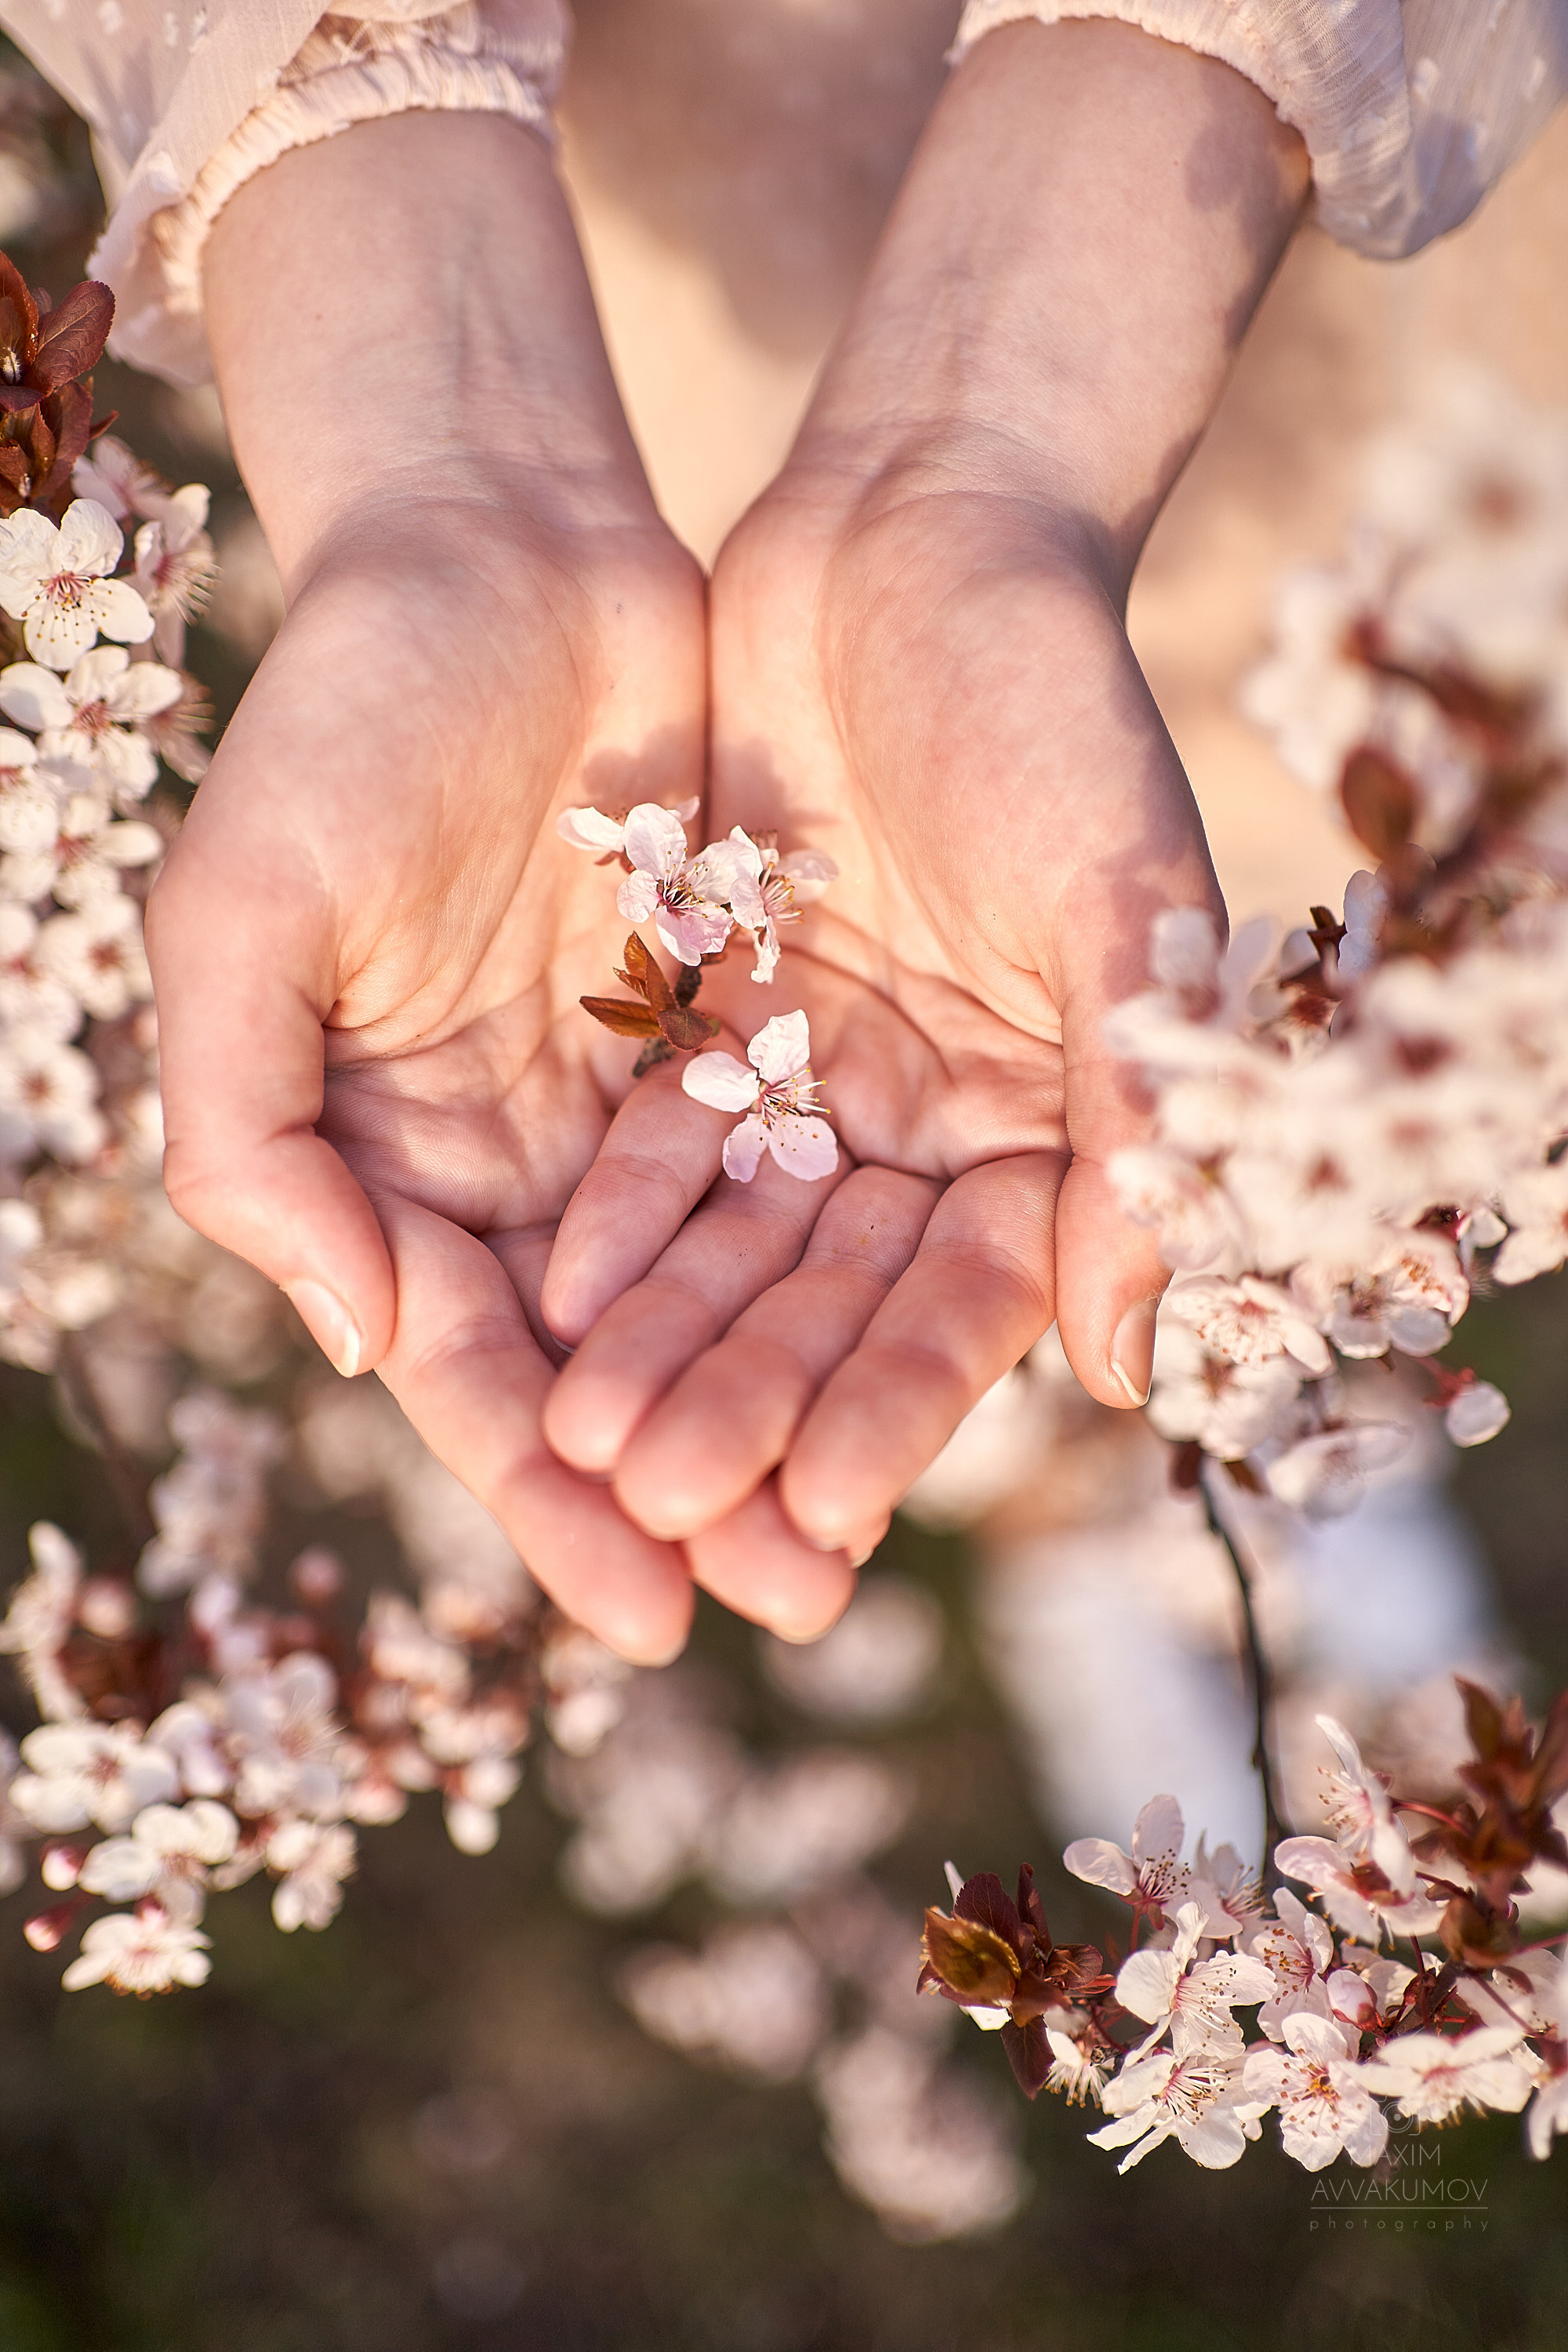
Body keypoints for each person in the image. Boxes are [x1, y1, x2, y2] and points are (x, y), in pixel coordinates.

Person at [1, 0, 1561, 1664]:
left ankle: (1277, 1362)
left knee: (1283, 855)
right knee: (1024, 1036)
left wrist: (984, 445)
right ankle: (1092, 1484)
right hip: (680, 197)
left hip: (1372, 316)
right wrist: (446, 469)